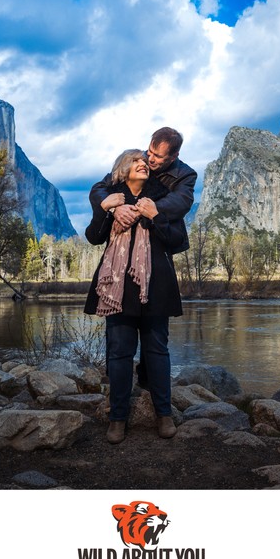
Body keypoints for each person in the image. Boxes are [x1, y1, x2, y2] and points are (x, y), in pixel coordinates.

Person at [84, 149, 185, 444]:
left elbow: (177, 241)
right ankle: (117, 419)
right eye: (135, 161)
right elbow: (94, 236)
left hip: (156, 285)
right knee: (118, 353)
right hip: (118, 288)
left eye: (145, 161)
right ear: (122, 169)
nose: (143, 163)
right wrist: (106, 209)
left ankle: (164, 415)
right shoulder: (112, 198)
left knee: (157, 351)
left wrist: (155, 217)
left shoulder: (161, 197)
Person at [89, 127, 196, 389]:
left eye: (157, 157)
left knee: (155, 337)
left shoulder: (185, 175)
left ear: (173, 157)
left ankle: (150, 388)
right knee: (119, 338)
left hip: (157, 252)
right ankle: (117, 395)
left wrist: (142, 210)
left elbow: (180, 204)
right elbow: (99, 190)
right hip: (119, 267)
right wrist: (114, 206)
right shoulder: (135, 163)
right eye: (148, 152)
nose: (150, 160)